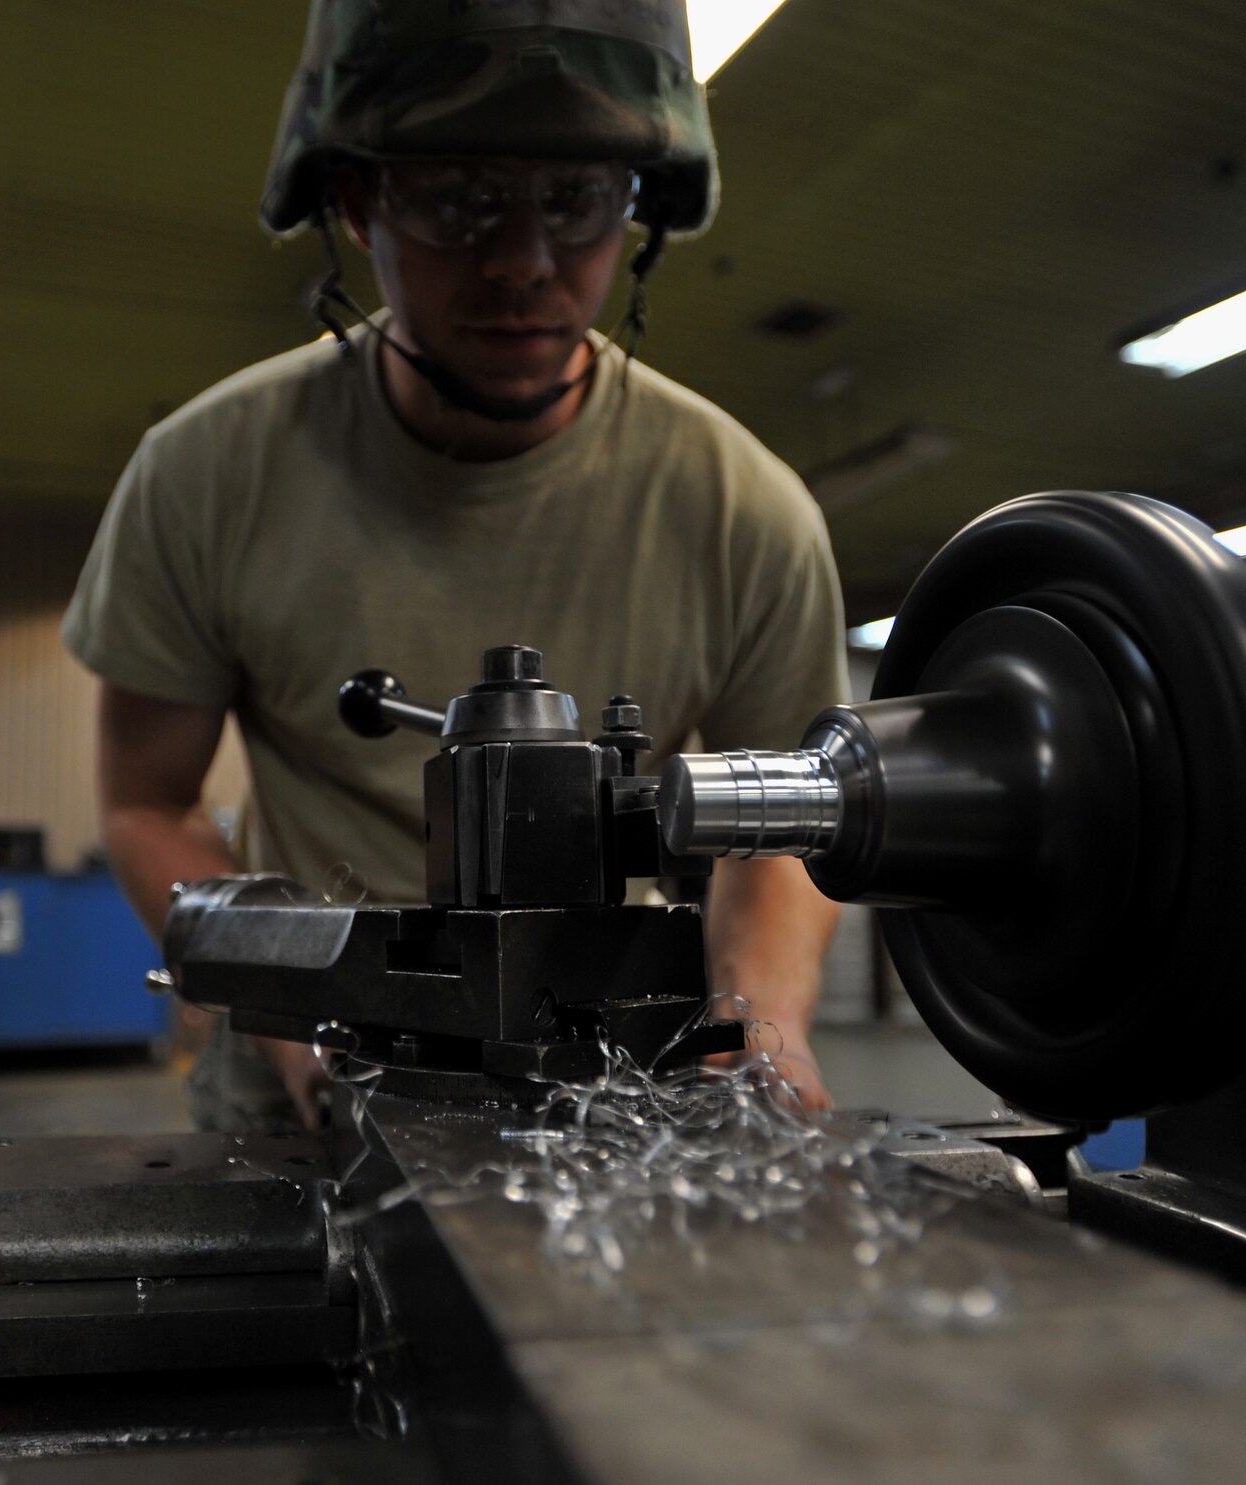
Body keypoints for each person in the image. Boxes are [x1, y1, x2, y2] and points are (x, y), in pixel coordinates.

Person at [64, 0, 847, 1130]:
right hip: (296, 1119)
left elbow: (787, 838)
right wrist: (308, 1024)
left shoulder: (744, 511)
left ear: (640, 207)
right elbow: (145, 801)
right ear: (354, 201)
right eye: (457, 197)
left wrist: (754, 1034)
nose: (523, 263)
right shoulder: (201, 477)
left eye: (576, 199)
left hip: (608, 1101)